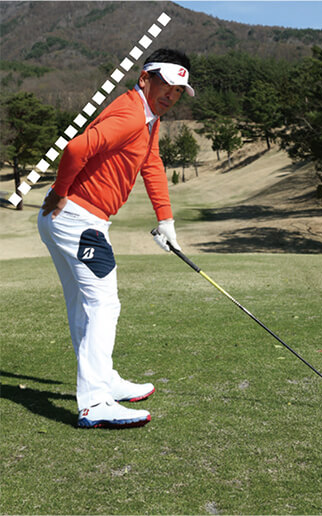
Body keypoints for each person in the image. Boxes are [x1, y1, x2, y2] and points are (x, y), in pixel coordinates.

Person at [38, 48, 195, 429]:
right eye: (166, 85)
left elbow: (151, 163)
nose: (171, 95)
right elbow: (76, 148)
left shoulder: (149, 118)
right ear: (145, 79)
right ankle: (94, 402)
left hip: (77, 220)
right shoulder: (130, 115)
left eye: (179, 90)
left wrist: (166, 220)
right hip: (78, 219)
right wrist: (60, 191)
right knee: (103, 304)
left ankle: (103, 380)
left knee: (85, 306)